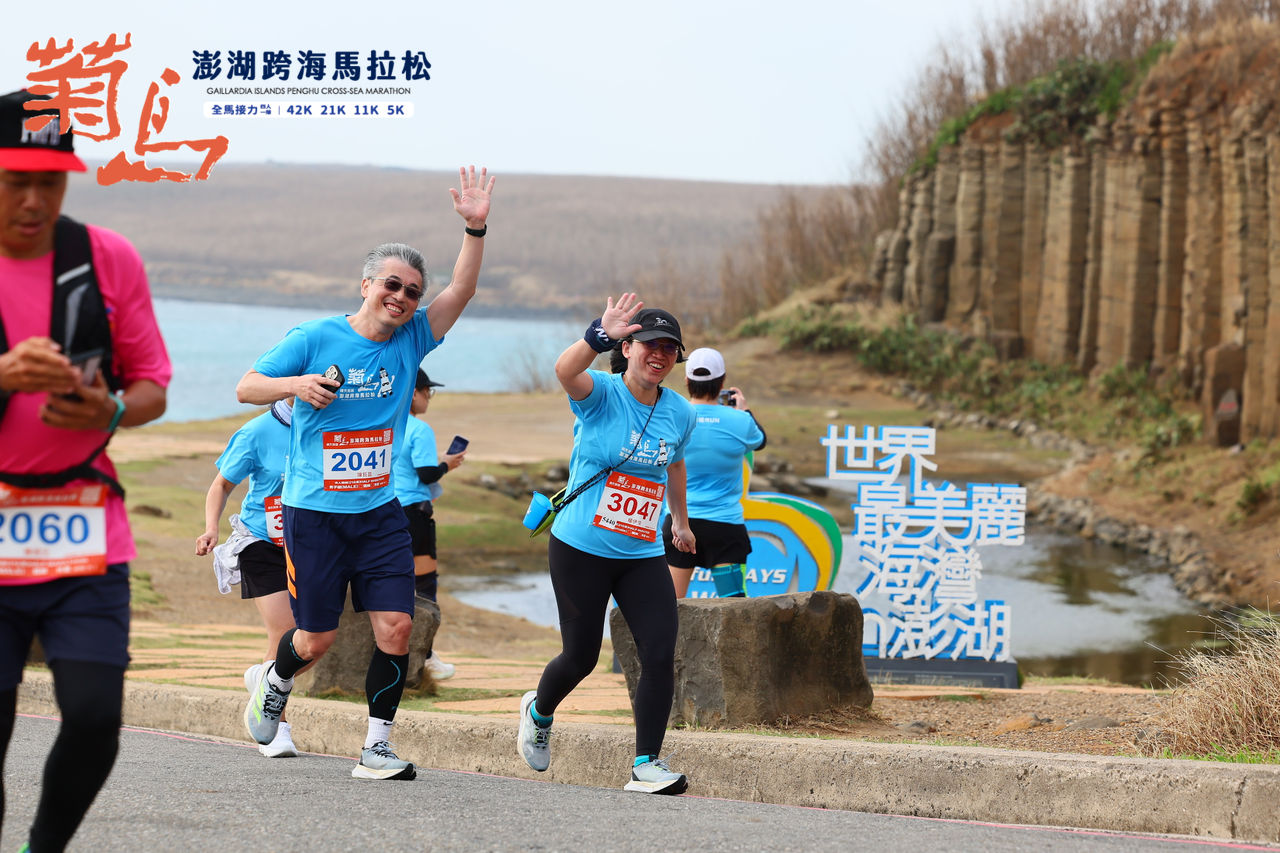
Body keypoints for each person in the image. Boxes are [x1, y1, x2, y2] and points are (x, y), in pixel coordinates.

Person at [235, 165, 494, 781]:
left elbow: (462, 289)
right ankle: (274, 680)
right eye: (392, 285)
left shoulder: (412, 340)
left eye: (412, 291)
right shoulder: (314, 337)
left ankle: (376, 747)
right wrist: (296, 385)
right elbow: (247, 386)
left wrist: (475, 228)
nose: (401, 297)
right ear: (367, 285)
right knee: (315, 641)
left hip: (379, 513)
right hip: (314, 515)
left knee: (397, 627)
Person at [0, 90, 171, 850]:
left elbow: (152, 388)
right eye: (16, 182)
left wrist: (109, 409)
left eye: (52, 182)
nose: (35, 201)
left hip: (84, 526)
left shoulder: (108, 258)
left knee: (97, 716)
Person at [516, 293, 697, 795]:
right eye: (649, 345)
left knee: (658, 653)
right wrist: (598, 335)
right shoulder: (601, 392)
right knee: (581, 657)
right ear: (629, 348)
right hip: (581, 548)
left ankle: (646, 764)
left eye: (669, 348)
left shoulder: (680, 412)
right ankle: (539, 712)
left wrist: (680, 523)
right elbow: (564, 370)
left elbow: (675, 464)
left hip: (642, 553)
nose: (659, 355)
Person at [194, 397, 300, 758]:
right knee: (284, 633)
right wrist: (211, 528)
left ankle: (264, 678)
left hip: (309, 543)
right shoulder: (256, 432)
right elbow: (221, 485)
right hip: (262, 542)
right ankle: (275, 728)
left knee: (315, 638)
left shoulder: (327, 426)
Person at [665, 347, 766, 598]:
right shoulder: (741, 422)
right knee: (734, 610)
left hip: (679, 524)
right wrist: (745, 411)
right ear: (722, 382)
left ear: (687, 381)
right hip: (725, 528)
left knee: (669, 608)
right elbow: (760, 441)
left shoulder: (672, 417)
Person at [393, 368, 465, 681]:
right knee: (424, 587)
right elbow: (426, 475)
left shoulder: (383, 422)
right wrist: (446, 464)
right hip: (413, 515)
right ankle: (426, 656)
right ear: (413, 393)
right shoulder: (419, 429)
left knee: (392, 584)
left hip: (384, 511)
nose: (429, 398)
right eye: (427, 392)